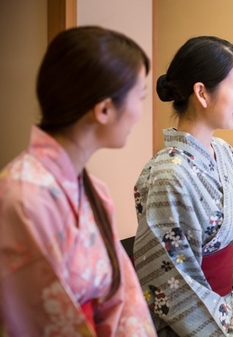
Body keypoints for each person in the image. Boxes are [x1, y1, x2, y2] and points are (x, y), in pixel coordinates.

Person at [132, 36, 233, 336]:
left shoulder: (224, 153)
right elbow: (171, 278)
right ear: (202, 93)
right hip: (194, 324)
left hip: (232, 308)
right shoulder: (169, 174)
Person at [0, 26, 156, 335]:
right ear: (104, 109)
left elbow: (125, 296)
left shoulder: (94, 190)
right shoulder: (23, 198)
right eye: (140, 96)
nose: (140, 112)